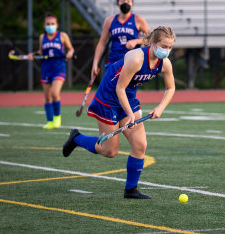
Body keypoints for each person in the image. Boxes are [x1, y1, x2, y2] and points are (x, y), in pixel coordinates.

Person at [62, 26, 176, 199]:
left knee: (140, 145)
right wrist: (130, 114)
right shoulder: (137, 58)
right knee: (109, 151)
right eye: (163, 46)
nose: (166, 51)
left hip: (128, 98)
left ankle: (131, 189)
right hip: (108, 97)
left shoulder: (164, 63)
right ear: (152, 43)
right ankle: (76, 138)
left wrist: (160, 108)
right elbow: (119, 88)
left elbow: (170, 88)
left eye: (170, 47)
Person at [29, 13, 75, 130]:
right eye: (48, 24)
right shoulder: (42, 37)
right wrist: (33, 55)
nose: (50, 26)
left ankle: (57, 118)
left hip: (59, 68)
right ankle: (50, 121)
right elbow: (40, 52)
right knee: (47, 97)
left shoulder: (62, 36)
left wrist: (70, 53)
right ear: (44, 26)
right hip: (46, 69)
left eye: (53, 24)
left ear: (57, 25)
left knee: (55, 93)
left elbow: (71, 48)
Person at [91, 0, 150, 79]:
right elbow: (101, 43)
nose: (125, 3)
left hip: (132, 61)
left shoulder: (138, 19)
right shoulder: (110, 21)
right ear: (118, 3)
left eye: (128, 1)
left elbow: (151, 39)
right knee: (110, 89)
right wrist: (95, 64)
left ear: (132, 4)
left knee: (124, 90)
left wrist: (136, 41)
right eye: (122, 0)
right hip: (114, 60)